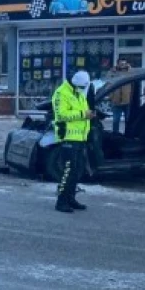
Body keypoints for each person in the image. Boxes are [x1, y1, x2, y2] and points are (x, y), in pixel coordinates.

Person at [52, 70, 95, 214]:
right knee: (68, 171)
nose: (84, 89)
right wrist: (84, 114)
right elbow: (61, 115)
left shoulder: (78, 92)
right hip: (68, 138)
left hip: (80, 138)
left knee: (76, 171)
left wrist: (90, 114)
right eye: (82, 87)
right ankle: (61, 201)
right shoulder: (61, 93)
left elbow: (84, 110)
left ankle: (70, 198)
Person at [109, 57, 133, 134]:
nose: (123, 65)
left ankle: (127, 135)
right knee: (116, 121)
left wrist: (129, 69)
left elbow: (134, 83)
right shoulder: (113, 72)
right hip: (116, 101)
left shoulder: (129, 72)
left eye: (124, 63)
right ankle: (115, 136)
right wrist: (111, 97)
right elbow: (108, 83)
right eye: (121, 63)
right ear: (117, 64)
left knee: (128, 120)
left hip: (127, 101)